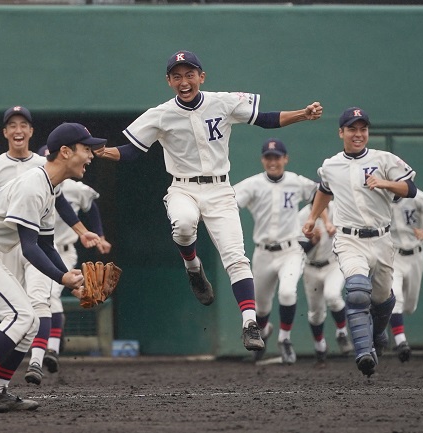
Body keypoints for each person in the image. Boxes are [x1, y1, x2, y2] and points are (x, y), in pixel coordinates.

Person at [94, 50, 322, 351]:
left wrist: (301, 115)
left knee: (236, 257)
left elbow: (264, 119)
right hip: (183, 188)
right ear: (168, 81)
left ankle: (250, 324)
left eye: (190, 74)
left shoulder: (223, 102)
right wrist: (99, 151)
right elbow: (133, 150)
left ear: (202, 76)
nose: (184, 81)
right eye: (177, 76)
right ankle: (193, 268)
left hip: (220, 190)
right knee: (184, 225)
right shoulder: (161, 114)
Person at [0, 122, 100, 412]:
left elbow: (46, 245)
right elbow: (28, 247)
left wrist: (72, 280)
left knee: (28, 323)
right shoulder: (34, 185)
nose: (91, 156)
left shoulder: (48, 188)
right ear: (65, 152)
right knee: (21, 314)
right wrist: (62, 277)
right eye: (86, 149)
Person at [303, 107, 417, 377]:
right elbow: (324, 190)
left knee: (381, 298)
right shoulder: (331, 165)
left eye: (362, 128)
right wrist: (312, 217)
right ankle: (364, 353)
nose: (358, 134)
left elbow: (410, 188)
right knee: (356, 290)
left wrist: (385, 184)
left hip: (381, 239)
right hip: (348, 238)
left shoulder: (383, 159)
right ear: (341, 132)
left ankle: (377, 334)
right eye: (352, 129)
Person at [233, 138, 318, 364]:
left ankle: (285, 338)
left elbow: (321, 194)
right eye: (269, 157)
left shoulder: (296, 181)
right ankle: (264, 333)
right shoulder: (252, 184)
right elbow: (228, 202)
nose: (273, 162)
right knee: (260, 309)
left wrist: (315, 219)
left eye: (277, 157)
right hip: (263, 253)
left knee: (288, 292)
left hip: (290, 250)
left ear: (285, 159)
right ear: (263, 160)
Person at [32, 144, 112, 380]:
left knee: (48, 296)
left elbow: (92, 207)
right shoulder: (35, 184)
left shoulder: (75, 187)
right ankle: (50, 349)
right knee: (40, 300)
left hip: (64, 252)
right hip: (36, 251)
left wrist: (100, 236)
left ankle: (47, 352)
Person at [388, 188, 423, 363]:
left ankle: (389, 320)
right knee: (395, 297)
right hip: (393, 255)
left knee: (409, 306)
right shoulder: (380, 199)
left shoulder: (416, 196)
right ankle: (401, 341)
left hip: (415, 256)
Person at [297, 201, 353, 367]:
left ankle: (342, 332)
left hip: (333, 264)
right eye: (316, 199)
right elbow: (299, 247)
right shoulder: (303, 215)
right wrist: (312, 242)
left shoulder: (339, 209)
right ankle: (320, 346)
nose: (320, 201)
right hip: (311, 267)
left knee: (333, 295)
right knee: (315, 313)